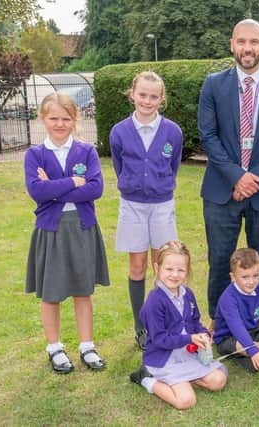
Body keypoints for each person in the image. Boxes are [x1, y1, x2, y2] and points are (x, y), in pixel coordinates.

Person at [198, 18, 259, 320]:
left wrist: (255, 178)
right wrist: (236, 176)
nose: (248, 48)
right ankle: (218, 321)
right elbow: (208, 136)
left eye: (254, 42)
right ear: (232, 45)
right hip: (220, 190)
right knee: (219, 260)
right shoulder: (213, 85)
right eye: (241, 42)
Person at [24, 92, 110, 374]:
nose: (60, 124)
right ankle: (55, 348)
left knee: (83, 291)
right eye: (53, 118)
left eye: (66, 118)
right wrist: (73, 182)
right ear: (43, 118)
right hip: (51, 230)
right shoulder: (34, 154)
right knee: (51, 292)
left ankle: (87, 346)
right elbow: (37, 192)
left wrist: (55, 188)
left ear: (75, 120)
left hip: (82, 227)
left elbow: (95, 189)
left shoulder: (86, 151)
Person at [109, 71, 183, 350]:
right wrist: (134, 186)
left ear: (161, 99)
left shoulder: (172, 132)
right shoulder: (119, 131)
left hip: (162, 205)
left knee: (163, 267)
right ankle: (140, 326)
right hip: (133, 206)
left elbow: (172, 165)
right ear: (133, 95)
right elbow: (119, 165)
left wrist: (159, 185)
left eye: (153, 96)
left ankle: (160, 323)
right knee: (138, 266)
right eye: (142, 95)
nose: (147, 101)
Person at [129, 241, 228, 409]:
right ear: (157, 268)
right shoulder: (154, 301)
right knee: (186, 401)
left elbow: (195, 322)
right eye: (169, 269)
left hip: (188, 354)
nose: (174, 274)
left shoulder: (187, 294)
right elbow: (160, 339)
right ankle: (146, 379)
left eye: (180, 270)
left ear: (187, 271)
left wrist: (204, 334)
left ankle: (186, 379)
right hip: (164, 358)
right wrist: (190, 338)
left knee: (218, 381)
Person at [212, 248, 259, 373]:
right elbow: (237, 328)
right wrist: (253, 350)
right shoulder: (228, 298)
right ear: (233, 277)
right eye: (245, 277)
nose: (251, 281)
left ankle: (256, 352)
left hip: (253, 332)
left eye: (256, 275)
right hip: (229, 338)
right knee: (243, 346)